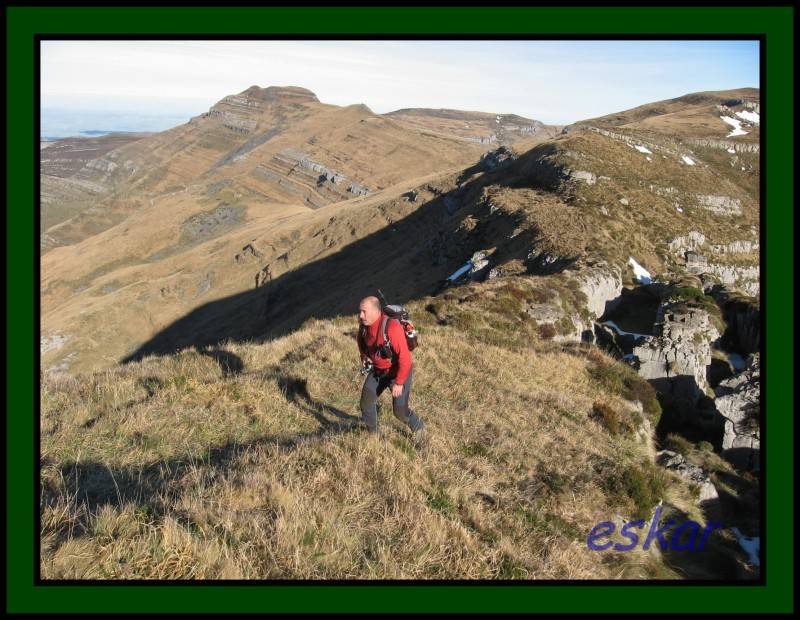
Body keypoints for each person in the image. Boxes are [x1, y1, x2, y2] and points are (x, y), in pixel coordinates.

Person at [357, 296, 426, 443]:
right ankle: (373, 437)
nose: (360, 315)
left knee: (399, 412)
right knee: (366, 403)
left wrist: (399, 382)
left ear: (376, 312)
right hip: (378, 372)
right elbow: (361, 340)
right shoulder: (364, 325)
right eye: (360, 311)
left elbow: (406, 360)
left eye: (364, 311)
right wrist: (364, 356)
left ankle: (419, 428)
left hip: (398, 373)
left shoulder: (392, 328)